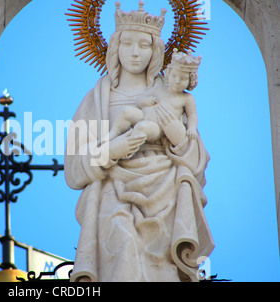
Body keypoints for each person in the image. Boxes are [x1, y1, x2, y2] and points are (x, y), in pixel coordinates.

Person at [65, 1, 214, 282]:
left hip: (164, 191)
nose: (135, 53)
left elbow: (197, 162)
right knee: (123, 246)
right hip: (113, 188)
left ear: (156, 49)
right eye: (127, 44)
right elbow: (74, 169)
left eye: (144, 45)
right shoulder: (96, 99)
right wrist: (110, 151)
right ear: (114, 46)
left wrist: (177, 133)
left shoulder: (171, 91)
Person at [108, 48, 202, 149]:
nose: (177, 81)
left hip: (157, 126)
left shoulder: (187, 98)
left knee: (141, 127)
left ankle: (128, 146)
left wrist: (192, 128)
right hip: (142, 115)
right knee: (126, 111)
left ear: (191, 81)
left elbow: (192, 115)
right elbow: (139, 100)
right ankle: (113, 134)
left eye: (183, 78)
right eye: (174, 76)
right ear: (168, 74)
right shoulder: (159, 88)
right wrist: (145, 101)